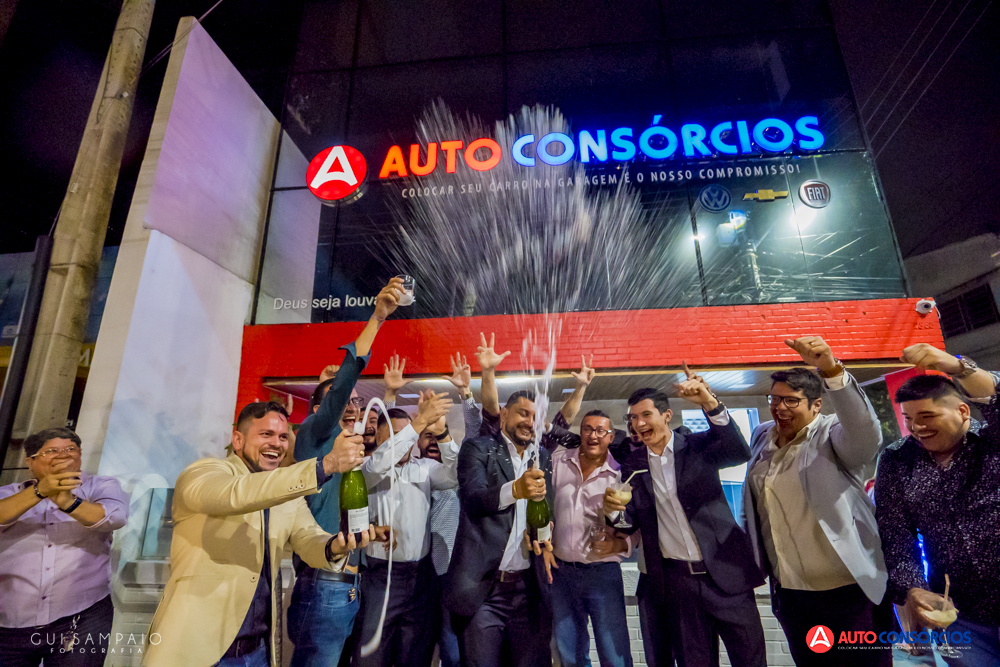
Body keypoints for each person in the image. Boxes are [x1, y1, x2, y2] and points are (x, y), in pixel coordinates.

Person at [144, 401, 377, 667]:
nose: (276, 443)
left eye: (283, 437)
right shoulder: (203, 473)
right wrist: (325, 464)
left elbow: (308, 538)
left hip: (257, 651)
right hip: (196, 649)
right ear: (237, 440)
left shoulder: (287, 493)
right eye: (266, 434)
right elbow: (237, 494)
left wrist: (335, 546)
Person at [740, 336, 890, 666]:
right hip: (792, 593)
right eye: (774, 399)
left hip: (850, 590)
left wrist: (832, 370)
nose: (780, 408)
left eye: (791, 401)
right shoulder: (762, 435)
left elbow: (866, 436)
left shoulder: (833, 433)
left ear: (816, 405)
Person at [603, 382, 766, 667]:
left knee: (750, 659)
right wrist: (614, 513)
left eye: (646, 415)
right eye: (633, 418)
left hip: (726, 576)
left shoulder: (697, 446)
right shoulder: (633, 464)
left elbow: (739, 452)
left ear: (666, 415)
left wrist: (710, 403)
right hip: (679, 585)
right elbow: (629, 522)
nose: (639, 424)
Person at [289, 278, 403, 667]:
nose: (352, 406)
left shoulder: (344, 453)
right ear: (320, 410)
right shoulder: (314, 435)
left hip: (350, 582)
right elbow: (339, 389)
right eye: (344, 401)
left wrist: (371, 530)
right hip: (324, 583)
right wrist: (378, 317)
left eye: (357, 401)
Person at [875, 344, 1000, 667]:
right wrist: (912, 588)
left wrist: (960, 368)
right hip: (960, 615)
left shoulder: (992, 443)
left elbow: (996, 399)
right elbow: (895, 533)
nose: (917, 428)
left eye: (928, 416)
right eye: (909, 419)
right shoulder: (897, 459)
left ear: (963, 411)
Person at [0, 428, 128, 666]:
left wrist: (69, 502)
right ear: (30, 461)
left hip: (81, 617)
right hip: (9, 623)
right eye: (51, 451)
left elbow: (115, 517)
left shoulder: (99, 486)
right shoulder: (8, 494)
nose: (63, 455)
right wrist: (40, 491)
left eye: (71, 449)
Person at [444, 390, 553, 667]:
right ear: (504, 414)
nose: (529, 422)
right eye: (523, 413)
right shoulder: (478, 448)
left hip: (528, 591)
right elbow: (473, 499)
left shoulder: (542, 456)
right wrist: (516, 489)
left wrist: (544, 531)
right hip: (484, 591)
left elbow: (544, 508)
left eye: (536, 416)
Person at [353, 392, 456, 667]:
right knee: (370, 658)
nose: (405, 443)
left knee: (415, 656)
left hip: (421, 576)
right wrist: (418, 422)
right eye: (395, 437)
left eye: (407, 435)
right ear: (380, 441)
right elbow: (381, 461)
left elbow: (457, 474)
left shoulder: (425, 468)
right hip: (381, 577)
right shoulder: (368, 469)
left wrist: (443, 434)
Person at [545, 409, 635, 667]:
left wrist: (621, 543)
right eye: (587, 429)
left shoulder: (621, 472)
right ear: (580, 432)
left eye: (600, 431)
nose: (593, 435)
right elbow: (542, 504)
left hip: (603, 574)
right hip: (561, 574)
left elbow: (636, 522)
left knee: (614, 655)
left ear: (611, 436)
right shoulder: (558, 462)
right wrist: (543, 542)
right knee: (569, 654)